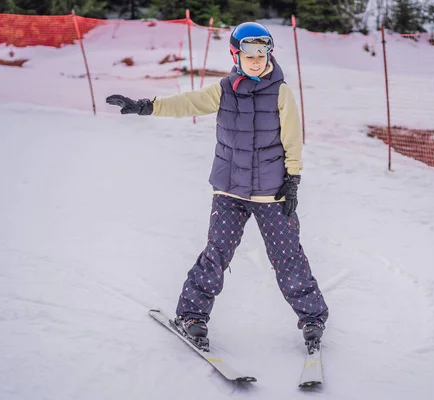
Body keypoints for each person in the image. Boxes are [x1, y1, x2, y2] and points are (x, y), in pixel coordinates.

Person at [106, 22, 329, 344]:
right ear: (235, 54)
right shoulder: (223, 89)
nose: (256, 60)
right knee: (216, 254)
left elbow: (292, 139)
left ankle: (312, 319)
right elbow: (186, 103)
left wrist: (292, 179)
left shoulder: (281, 92)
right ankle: (192, 316)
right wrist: (147, 106)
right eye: (249, 54)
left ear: (270, 54)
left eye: (262, 54)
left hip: (272, 192)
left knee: (288, 256)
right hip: (228, 190)